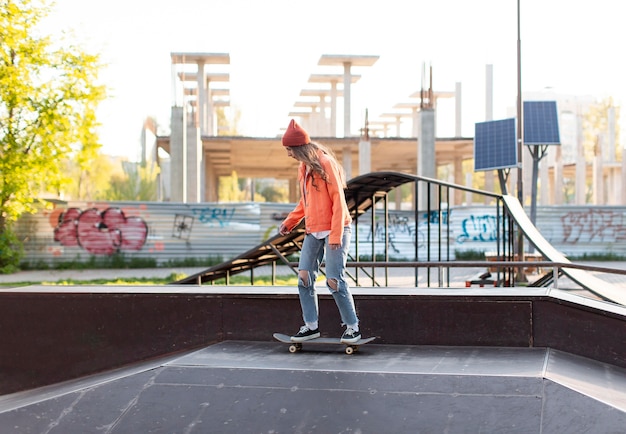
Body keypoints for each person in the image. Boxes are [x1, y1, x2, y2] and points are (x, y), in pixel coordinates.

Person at [278, 119, 361, 344]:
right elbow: (306, 202)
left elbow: (338, 199)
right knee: (303, 277)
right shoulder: (304, 168)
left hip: (337, 228)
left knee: (334, 280)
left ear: (299, 148)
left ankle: (353, 327)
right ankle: (311, 326)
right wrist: (290, 222)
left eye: (289, 150)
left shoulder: (325, 163)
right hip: (313, 230)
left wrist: (335, 235)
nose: (288, 154)